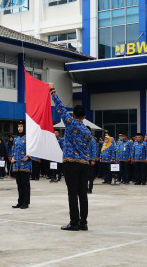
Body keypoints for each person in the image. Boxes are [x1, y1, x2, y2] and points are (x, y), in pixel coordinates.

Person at [51, 83, 93, 232]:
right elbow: (90, 143)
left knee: (72, 193)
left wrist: (53, 91)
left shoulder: (70, 123)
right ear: (85, 116)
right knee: (83, 194)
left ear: (74, 115)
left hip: (71, 163)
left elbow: (60, 107)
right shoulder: (88, 132)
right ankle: (83, 222)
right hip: (84, 164)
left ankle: (74, 222)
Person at [11, 120, 31, 209]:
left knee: (25, 184)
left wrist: (29, 157)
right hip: (17, 165)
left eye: (21, 126)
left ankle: (26, 203)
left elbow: (33, 149)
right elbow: (13, 150)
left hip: (25, 165)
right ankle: (20, 202)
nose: (19, 128)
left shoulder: (28, 138)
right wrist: (12, 157)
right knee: (19, 184)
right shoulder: (15, 139)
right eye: (18, 126)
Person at [86, 127, 99, 194]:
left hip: (90, 159)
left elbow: (94, 150)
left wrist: (93, 160)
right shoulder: (83, 139)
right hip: (84, 159)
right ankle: (85, 188)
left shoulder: (92, 140)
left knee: (90, 175)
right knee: (84, 175)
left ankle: (90, 188)